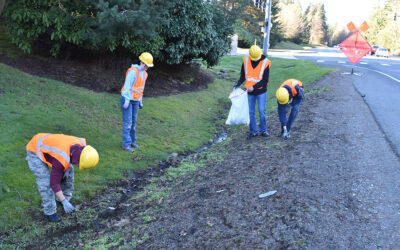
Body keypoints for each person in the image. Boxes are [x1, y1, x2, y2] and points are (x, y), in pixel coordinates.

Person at [26, 133, 99, 222]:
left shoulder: (82, 147)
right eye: (78, 164)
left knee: (69, 172)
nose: (77, 165)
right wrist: (64, 202)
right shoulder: (61, 159)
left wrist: (64, 200)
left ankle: (63, 198)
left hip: (50, 145)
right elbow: (54, 183)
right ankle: (50, 212)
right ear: (78, 159)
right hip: (35, 149)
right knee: (45, 182)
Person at [234, 45, 271, 139]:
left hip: (261, 91)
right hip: (250, 92)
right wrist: (237, 85)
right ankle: (253, 131)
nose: (254, 60)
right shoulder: (246, 60)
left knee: (262, 111)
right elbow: (243, 75)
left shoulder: (265, 63)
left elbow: (265, 80)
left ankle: (263, 130)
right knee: (251, 112)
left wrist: (254, 87)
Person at [120, 52, 154, 152]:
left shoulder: (145, 74)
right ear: (142, 63)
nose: (148, 67)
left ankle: (132, 141)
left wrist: (140, 101)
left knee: (133, 122)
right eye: (147, 65)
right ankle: (126, 145)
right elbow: (127, 87)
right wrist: (126, 100)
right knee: (128, 123)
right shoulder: (132, 72)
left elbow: (141, 89)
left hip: (135, 101)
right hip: (128, 99)